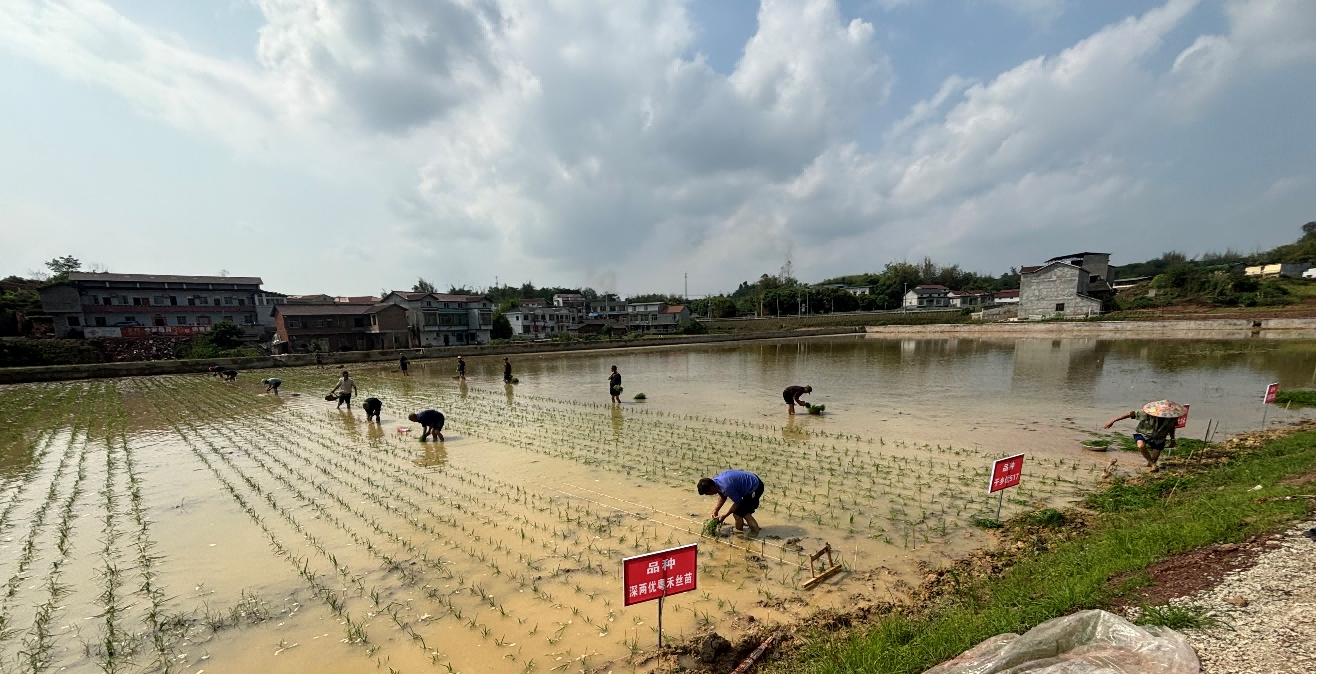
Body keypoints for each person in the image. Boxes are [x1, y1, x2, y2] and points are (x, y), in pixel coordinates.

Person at [1104, 405, 1179, 471]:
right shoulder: (1145, 413)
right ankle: (1153, 465)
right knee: (1140, 446)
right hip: (1143, 433)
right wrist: (1112, 421)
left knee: (1155, 456)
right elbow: (1128, 415)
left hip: (1159, 437)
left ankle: (1150, 466)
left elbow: (1171, 428)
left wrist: (1172, 439)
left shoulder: (1171, 418)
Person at [698, 470, 764, 535]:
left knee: (744, 513)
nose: (708, 495)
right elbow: (723, 496)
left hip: (755, 487)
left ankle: (755, 533)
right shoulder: (715, 483)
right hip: (748, 483)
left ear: (712, 488)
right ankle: (740, 532)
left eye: (707, 493)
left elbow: (738, 502)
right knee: (738, 513)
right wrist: (716, 509)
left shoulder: (726, 487)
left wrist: (725, 515)